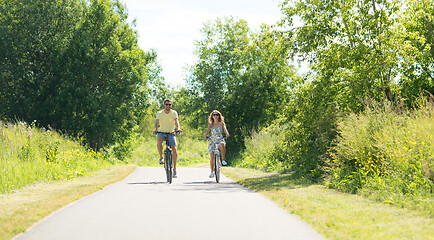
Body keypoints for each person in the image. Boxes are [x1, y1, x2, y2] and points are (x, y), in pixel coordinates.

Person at [153, 99, 182, 178]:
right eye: (166, 104)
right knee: (159, 140)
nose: (168, 106)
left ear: (171, 105)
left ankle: (174, 169)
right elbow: (156, 122)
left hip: (171, 133)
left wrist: (178, 128)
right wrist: (155, 129)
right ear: (164, 105)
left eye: (169, 104)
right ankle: (161, 158)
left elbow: (176, 121)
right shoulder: (159, 113)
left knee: (174, 148)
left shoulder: (174, 113)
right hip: (162, 132)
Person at [203, 110, 230, 178]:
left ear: (219, 116)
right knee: (212, 157)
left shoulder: (222, 123)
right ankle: (212, 172)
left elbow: (225, 129)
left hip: (220, 139)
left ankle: (223, 160)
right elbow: (207, 131)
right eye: (214, 115)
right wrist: (205, 135)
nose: (215, 116)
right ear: (212, 116)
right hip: (212, 140)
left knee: (222, 145)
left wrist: (227, 134)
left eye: (217, 114)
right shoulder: (211, 124)